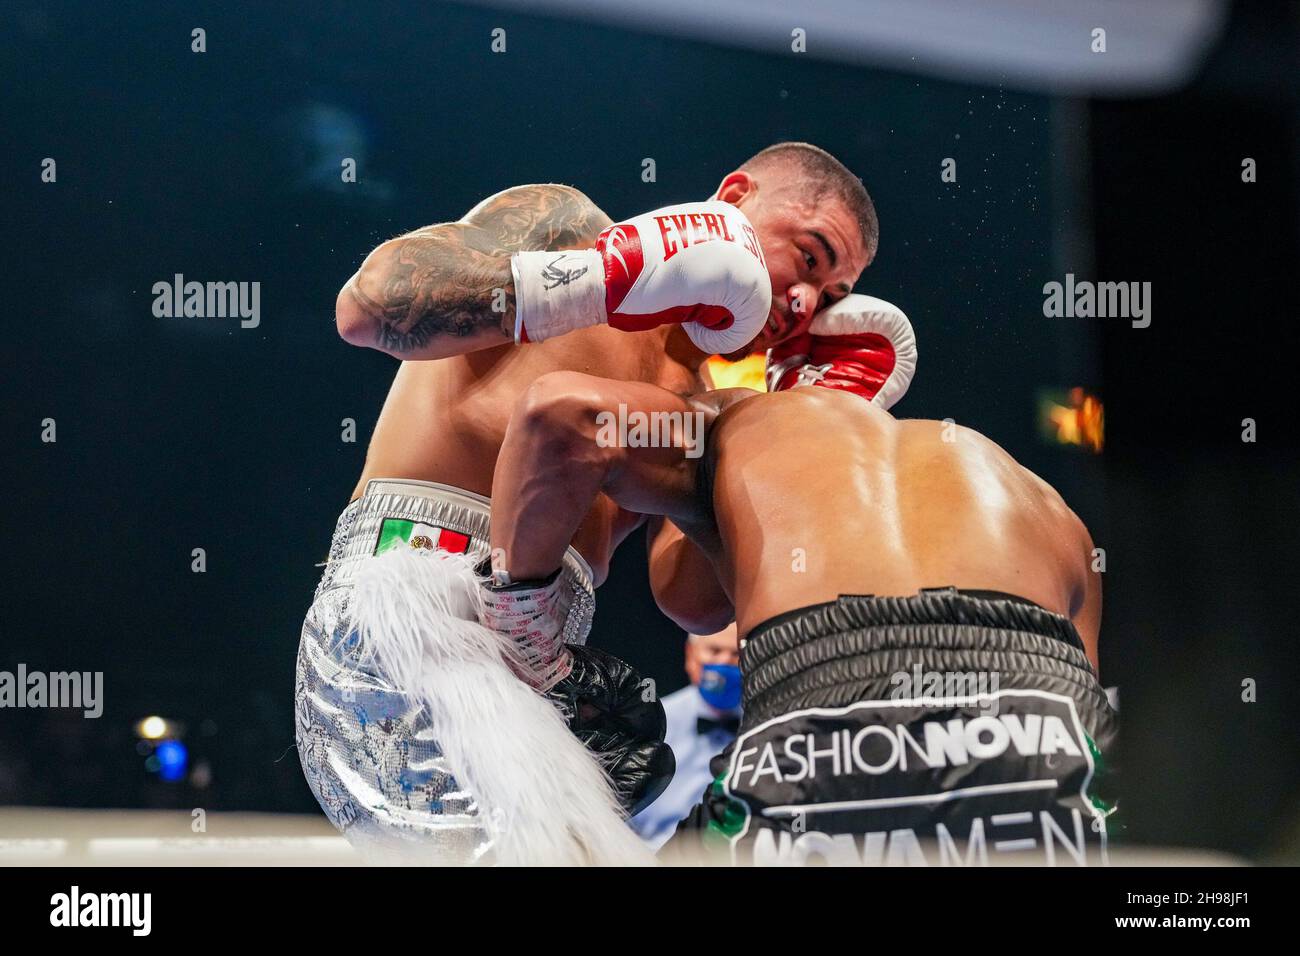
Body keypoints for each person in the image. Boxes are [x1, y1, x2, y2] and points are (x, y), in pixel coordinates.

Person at [295, 143, 916, 863]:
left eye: (834, 298)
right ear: (737, 194)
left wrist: (802, 425)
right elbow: (367, 308)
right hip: (407, 602)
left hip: (539, 662)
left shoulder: (700, 400)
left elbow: (694, 600)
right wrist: (595, 281)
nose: (809, 302)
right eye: (810, 259)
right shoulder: (565, 223)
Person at [484, 320, 1118, 866]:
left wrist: (527, 640)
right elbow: (1091, 723)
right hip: (1041, 725)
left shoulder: (742, 421)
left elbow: (558, 414)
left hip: (829, 699)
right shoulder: (1047, 504)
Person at [630, 625, 743, 849]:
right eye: (714, 651)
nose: (724, 662)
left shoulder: (767, 724)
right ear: (691, 656)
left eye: (736, 654)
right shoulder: (652, 724)